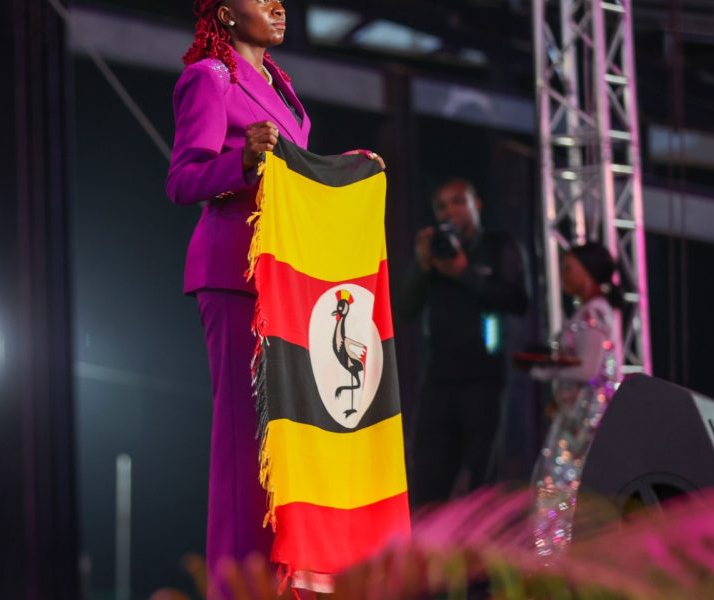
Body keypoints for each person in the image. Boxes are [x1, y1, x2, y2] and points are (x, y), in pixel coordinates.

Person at [165, 0, 383, 594]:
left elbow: (291, 172)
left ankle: (286, 576)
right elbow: (182, 180)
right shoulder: (210, 78)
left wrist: (348, 169)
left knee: (286, 435)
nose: (278, 5)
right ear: (225, 14)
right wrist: (240, 159)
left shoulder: (281, 87)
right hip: (234, 271)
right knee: (245, 438)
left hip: (284, 276)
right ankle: (237, 584)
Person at [397, 179, 528, 509]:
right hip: (439, 379)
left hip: (484, 379)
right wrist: (421, 266)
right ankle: (429, 538)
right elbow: (404, 309)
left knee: (480, 478)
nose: (449, 211)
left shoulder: (498, 245)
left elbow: (517, 300)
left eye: (457, 201)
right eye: (441, 206)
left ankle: (480, 542)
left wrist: (463, 272)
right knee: (428, 476)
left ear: (476, 204)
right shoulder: (434, 252)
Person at [530, 242, 624, 558]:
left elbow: (587, 369)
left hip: (582, 425)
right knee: (558, 488)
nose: (563, 276)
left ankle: (554, 559)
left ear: (588, 272)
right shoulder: (592, 311)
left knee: (556, 486)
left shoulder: (593, 313)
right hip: (577, 418)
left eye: (569, 268)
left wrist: (543, 370)